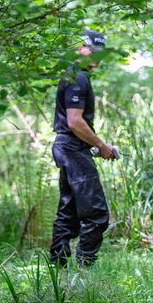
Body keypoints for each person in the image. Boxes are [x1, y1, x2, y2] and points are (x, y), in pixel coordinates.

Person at [50, 29, 118, 268]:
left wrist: (98, 146)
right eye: (92, 51)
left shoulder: (74, 75)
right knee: (97, 215)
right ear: (80, 49)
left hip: (69, 148)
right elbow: (74, 122)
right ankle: (84, 269)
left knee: (68, 212)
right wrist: (101, 145)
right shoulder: (78, 77)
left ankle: (57, 269)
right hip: (71, 149)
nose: (96, 58)